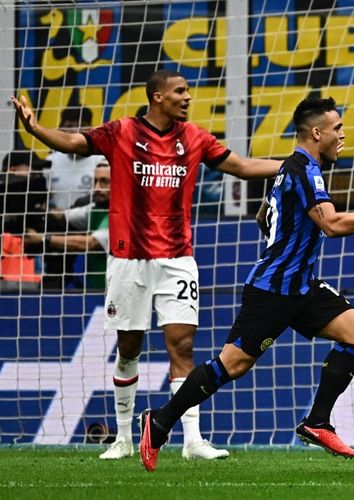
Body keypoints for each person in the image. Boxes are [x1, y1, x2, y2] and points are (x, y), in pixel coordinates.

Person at [12, 69, 282, 461]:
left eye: (188, 91)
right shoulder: (121, 132)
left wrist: (291, 165)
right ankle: (122, 437)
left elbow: (239, 166)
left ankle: (193, 441)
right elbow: (74, 141)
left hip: (177, 259)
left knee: (183, 345)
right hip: (128, 260)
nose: (188, 97)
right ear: (157, 96)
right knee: (129, 347)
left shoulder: (194, 138)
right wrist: (36, 130)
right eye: (180, 91)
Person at [136, 96, 354, 472]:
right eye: (337, 128)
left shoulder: (290, 169)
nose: (343, 136)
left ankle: (317, 422)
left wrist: (289, 242)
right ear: (317, 132)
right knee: (232, 365)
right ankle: (160, 422)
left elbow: (264, 215)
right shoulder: (306, 171)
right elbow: (331, 225)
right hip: (272, 290)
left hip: (301, 287)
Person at [24, 158, 111, 290]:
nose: (97, 188)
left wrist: (43, 239)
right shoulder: (95, 208)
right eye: (95, 181)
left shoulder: (127, 214)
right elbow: (64, 215)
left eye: (104, 182)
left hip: (118, 290)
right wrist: (34, 212)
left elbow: (89, 243)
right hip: (96, 289)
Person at [0, 151, 48, 291]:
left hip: (32, 286)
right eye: (33, 173)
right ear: (12, 171)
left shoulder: (36, 212)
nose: (37, 178)